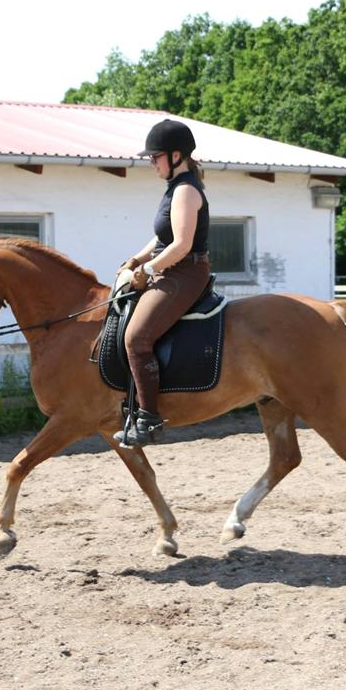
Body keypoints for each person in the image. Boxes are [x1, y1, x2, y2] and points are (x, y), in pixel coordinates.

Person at [114, 119, 212, 447]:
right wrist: (135, 261)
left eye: (155, 156)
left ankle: (149, 420)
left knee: (136, 338)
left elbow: (181, 245)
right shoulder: (174, 188)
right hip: (171, 269)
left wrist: (147, 270)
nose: (151, 162)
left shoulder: (185, 190)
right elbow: (161, 237)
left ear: (175, 156)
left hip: (185, 272)